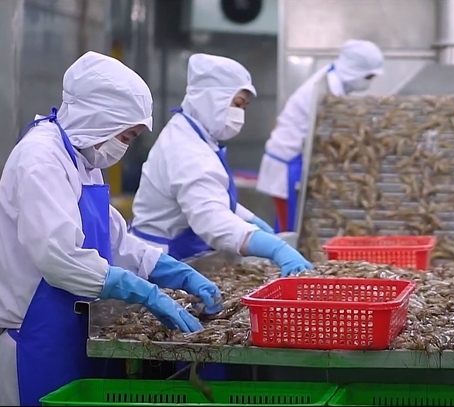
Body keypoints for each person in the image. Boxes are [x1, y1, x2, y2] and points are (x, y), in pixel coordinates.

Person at [0, 52, 222, 406]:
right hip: (34, 337)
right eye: (127, 135)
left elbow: (115, 239)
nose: (124, 145)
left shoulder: (84, 157)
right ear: (100, 119)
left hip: (73, 329)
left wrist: (175, 273)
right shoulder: (40, 160)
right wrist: (144, 293)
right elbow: (59, 258)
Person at [130, 53, 312, 277]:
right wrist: (275, 248)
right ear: (212, 99)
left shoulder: (194, 136)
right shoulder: (187, 151)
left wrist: (250, 221)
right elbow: (212, 220)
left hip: (181, 254)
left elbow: (212, 195)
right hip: (163, 261)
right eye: (237, 104)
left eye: (244, 107)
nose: (240, 115)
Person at [256, 39, 384, 232]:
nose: (369, 83)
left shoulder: (335, 83)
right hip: (288, 164)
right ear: (355, 71)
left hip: (296, 161)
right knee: (290, 230)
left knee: (296, 228)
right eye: (368, 77)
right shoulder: (325, 89)